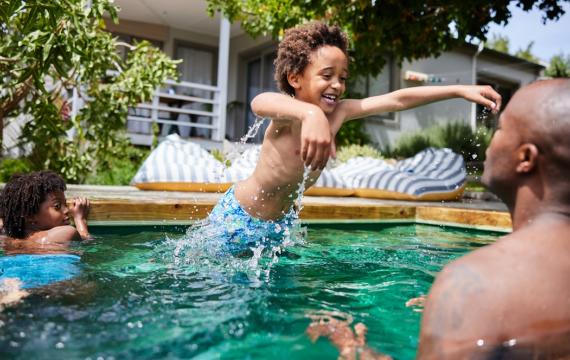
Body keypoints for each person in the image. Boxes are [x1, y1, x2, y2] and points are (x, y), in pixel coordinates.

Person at [207, 21, 501, 251]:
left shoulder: (340, 113)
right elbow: (260, 102)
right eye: (326, 75)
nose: (337, 84)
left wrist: (460, 90)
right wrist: (309, 115)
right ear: (295, 78)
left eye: (342, 77)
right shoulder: (289, 113)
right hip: (239, 216)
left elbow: (398, 100)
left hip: (279, 225)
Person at [417, 79, 570, 358]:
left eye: (499, 130)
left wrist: (356, 350)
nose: (490, 138)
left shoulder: (474, 286)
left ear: (525, 157)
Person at [0, 170, 90, 301]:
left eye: (65, 204)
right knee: (87, 289)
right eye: (57, 206)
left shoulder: (7, 241)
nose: (67, 210)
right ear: (30, 216)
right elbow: (86, 240)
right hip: (50, 287)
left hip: (9, 280)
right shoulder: (63, 234)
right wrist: (80, 220)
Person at [306, 311, 393, 360]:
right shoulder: (327, 327)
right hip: (350, 350)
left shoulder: (339, 327)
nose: (322, 321)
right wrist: (361, 333)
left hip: (351, 350)